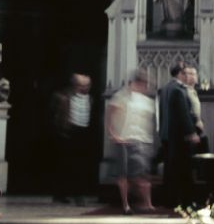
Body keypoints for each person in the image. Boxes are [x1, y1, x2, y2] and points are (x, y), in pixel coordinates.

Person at [107, 70, 157, 214]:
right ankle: (126, 205)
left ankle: (147, 204)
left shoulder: (147, 101)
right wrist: (113, 134)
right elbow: (110, 114)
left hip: (143, 140)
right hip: (124, 139)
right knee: (124, 175)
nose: (144, 86)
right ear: (135, 83)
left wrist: (149, 141)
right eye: (142, 83)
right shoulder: (122, 96)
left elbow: (148, 122)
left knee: (143, 174)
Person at [52, 73, 98, 205]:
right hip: (68, 133)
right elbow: (55, 115)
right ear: (74, 85)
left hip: (83, 134)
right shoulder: (63, 97)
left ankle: (78, 194)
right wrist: (61, 130)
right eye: (81, 85)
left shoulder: (90, 99)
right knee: (67, 166)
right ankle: (62, 194)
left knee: (81, 166)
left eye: (87, 85)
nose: (85, 88)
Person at [159, 63, 199, 207]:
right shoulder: (178, 89)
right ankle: (186, 201)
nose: (188, 76)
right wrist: (191, 133)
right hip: (178, 137)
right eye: (185, 73)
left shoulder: (165, 88)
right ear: (180, 74)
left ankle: (170, 200)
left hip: (167, 135)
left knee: (170, 169)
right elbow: (183, 114)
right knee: (182, 169)